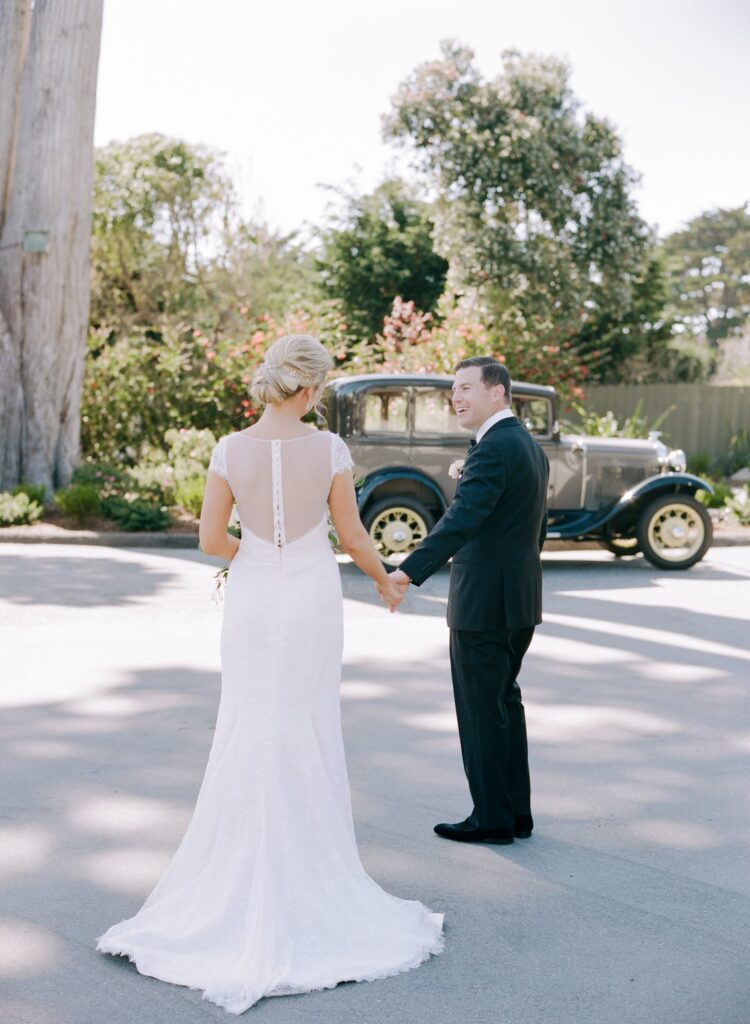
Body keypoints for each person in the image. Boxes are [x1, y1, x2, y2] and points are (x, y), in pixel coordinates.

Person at [95, 334, 443, 1014]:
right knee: (306, 725)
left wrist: (252, 560)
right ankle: (308, 883)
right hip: (312, 599)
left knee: (249, 724)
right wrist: (387, 582)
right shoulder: (330, 451)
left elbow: (209, 540)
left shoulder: (230, 450)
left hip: (254, 601)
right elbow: (353, 536)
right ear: (312, 389)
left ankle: (232, 885)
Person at [390, 357, 549, 846]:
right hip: (518, 598)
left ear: (496, 393)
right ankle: (514, 812)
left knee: (482, 711)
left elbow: (462, 520)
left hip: (484, 604)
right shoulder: (526, 444)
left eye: (465, 388)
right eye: (453, 390)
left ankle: (492, 820)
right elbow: (534, 528)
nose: (456, 397)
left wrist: (407, 572)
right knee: (504, 705)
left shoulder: (494, 448)